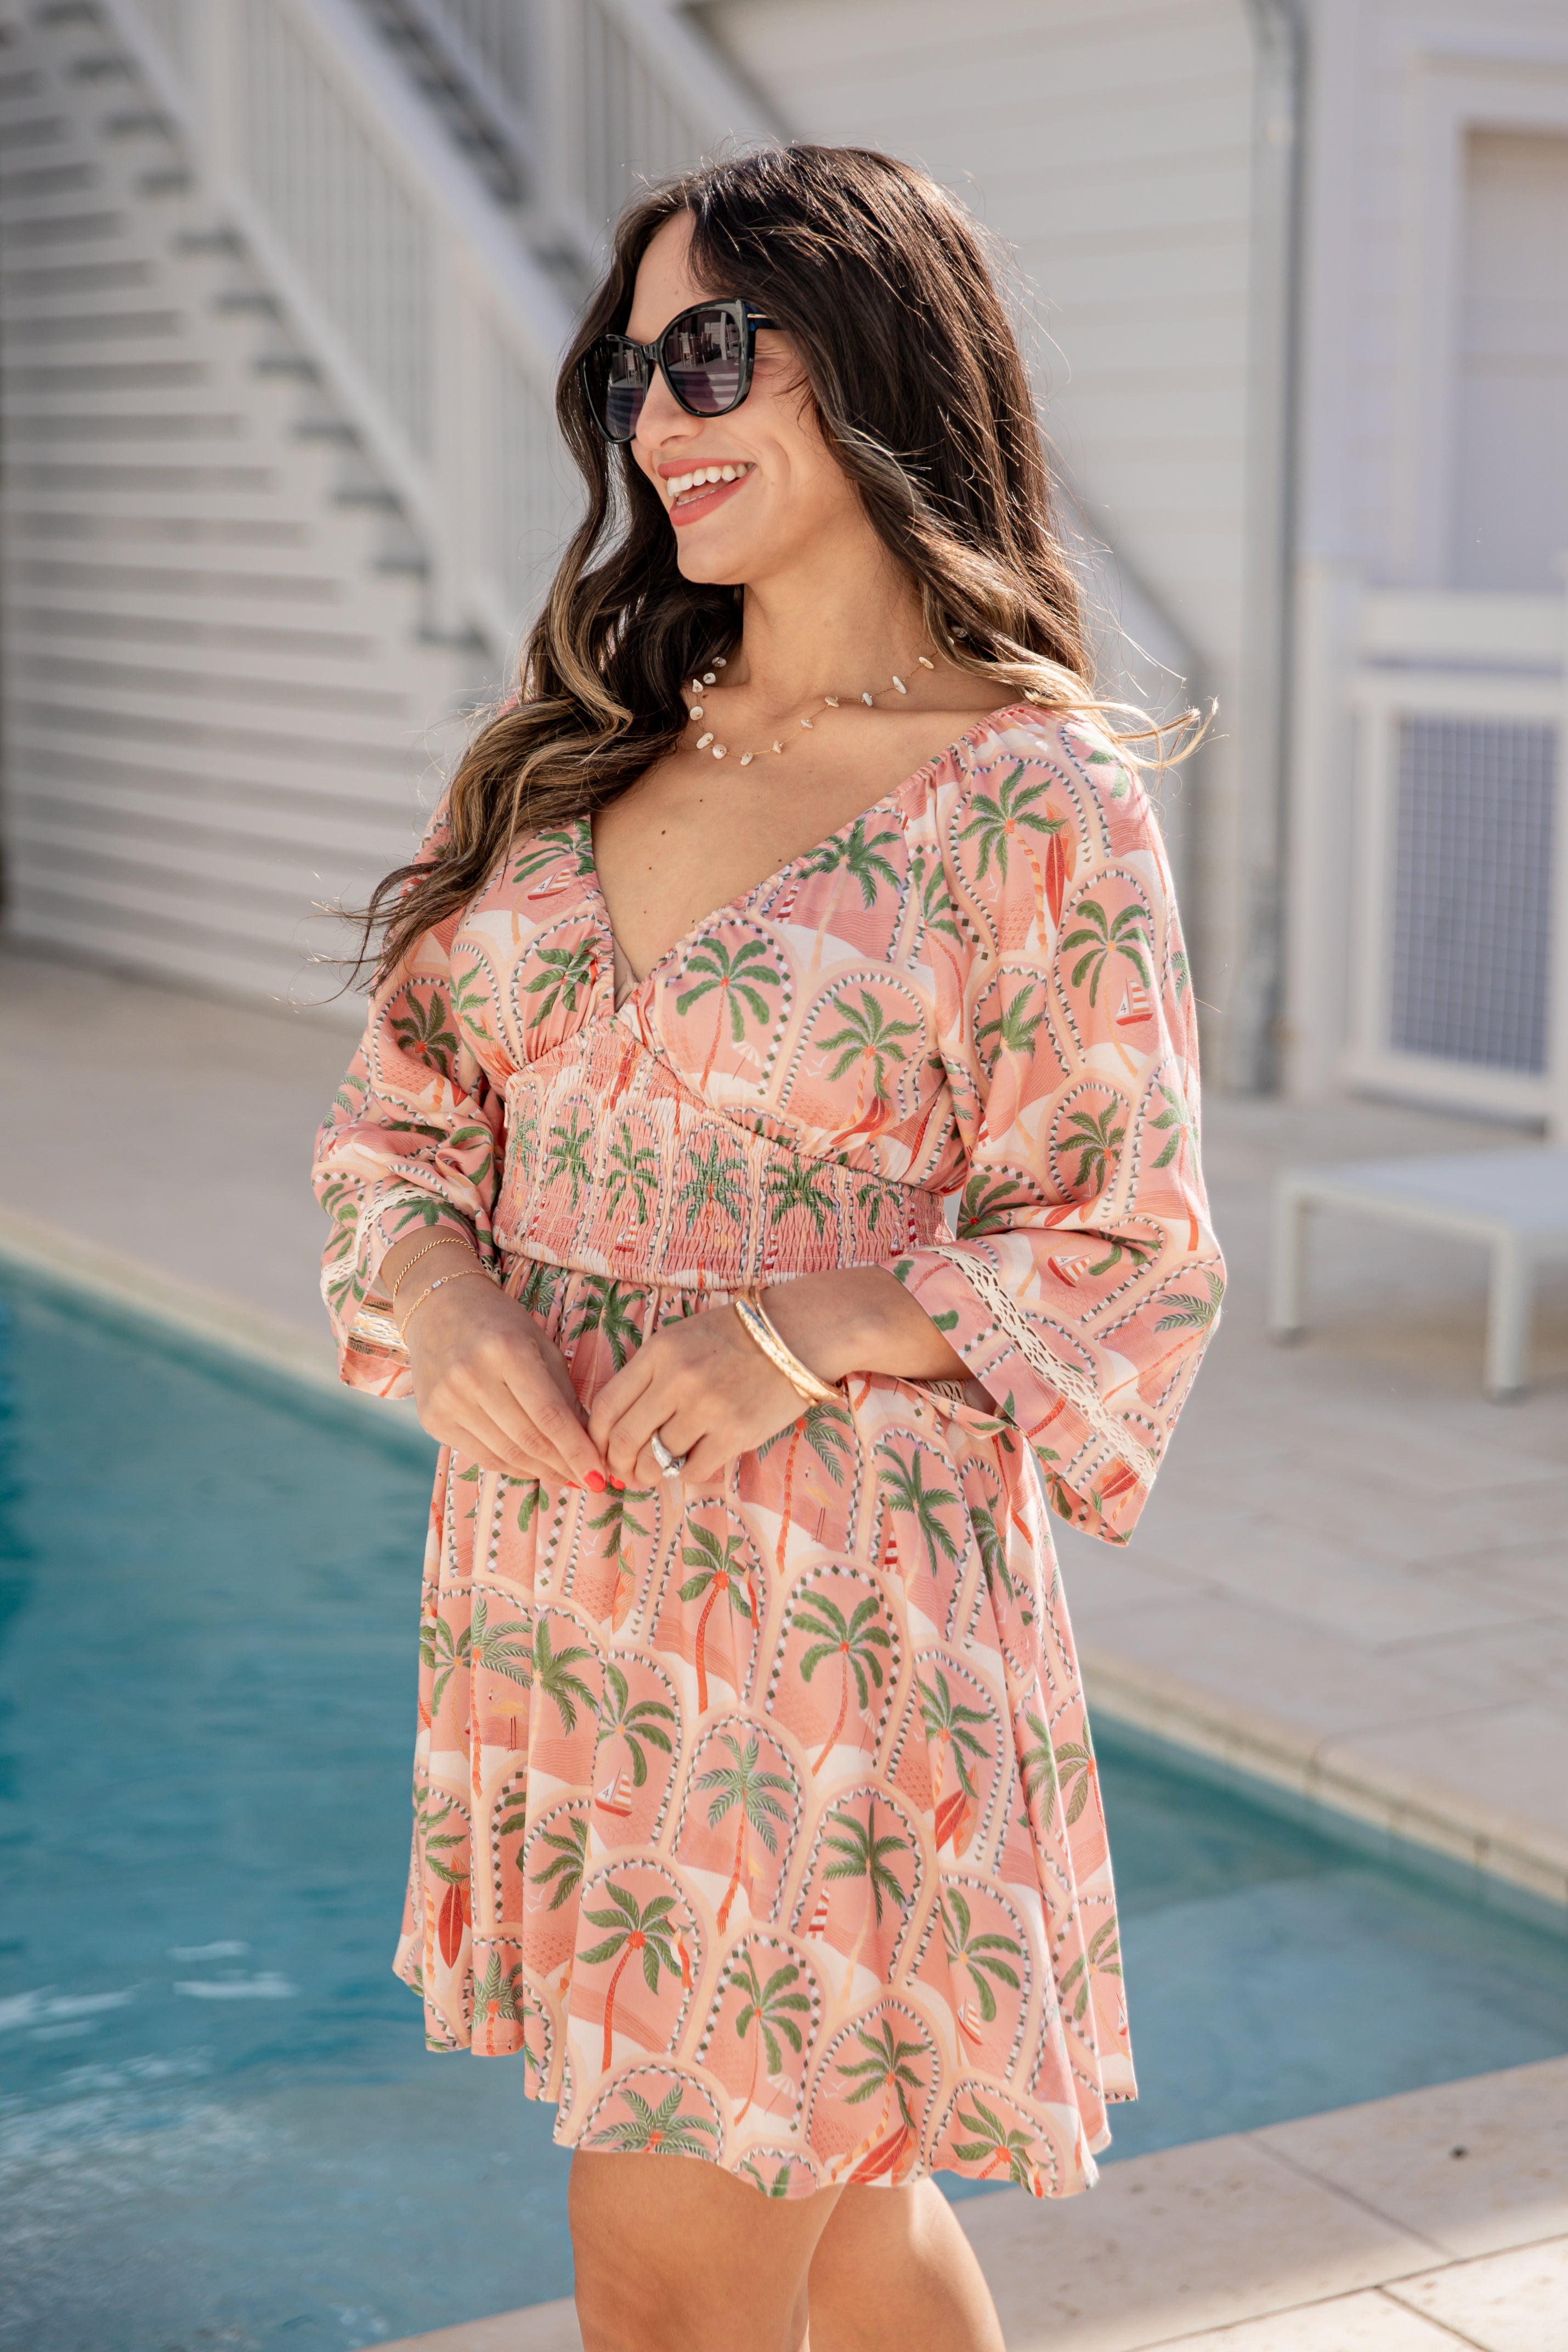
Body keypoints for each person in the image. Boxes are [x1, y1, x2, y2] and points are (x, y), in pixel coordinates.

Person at [313, 144, 1222, 2352]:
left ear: (880, 355)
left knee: (668, 2289)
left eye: (709, 351)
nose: (655, 415)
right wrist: (434, 1290)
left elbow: (1130, 1241)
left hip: (825, 1615)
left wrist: (822, 1320)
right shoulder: (566, 750)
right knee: (850, 2215)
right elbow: (394, 1126)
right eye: (626, 370)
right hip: (554, 1583)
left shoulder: (1034, 796)